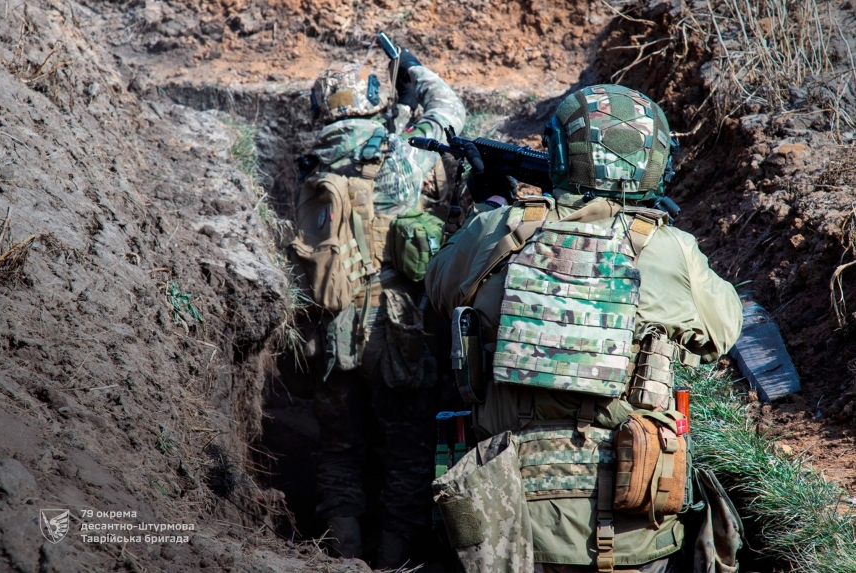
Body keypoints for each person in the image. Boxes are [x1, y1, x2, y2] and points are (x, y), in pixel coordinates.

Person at [425, 84, 743, 572]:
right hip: (638, 507)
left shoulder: (496, 233)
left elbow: (439, 286)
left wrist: (489, 205)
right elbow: (724, 328)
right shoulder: (670, 248)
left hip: (507, 517)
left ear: (560, 152)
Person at [292, 48, 466, 568]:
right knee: (407, 452)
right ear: (373, 101)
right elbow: (450, 112)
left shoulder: (312, 167)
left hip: (330, 325)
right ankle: (394, 561)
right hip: (398, 328)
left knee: (339, 450)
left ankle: (341, 556)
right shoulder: (402, 155)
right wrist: (415, 70)